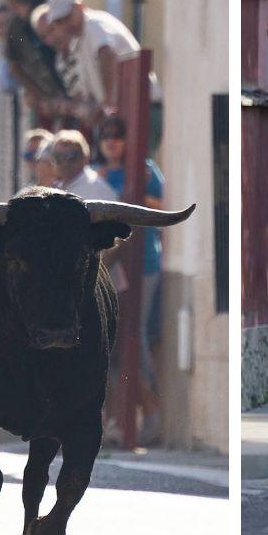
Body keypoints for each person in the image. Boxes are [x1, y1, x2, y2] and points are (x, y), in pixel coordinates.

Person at [94, 114, 168, 445]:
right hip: (108, 265)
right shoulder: (97, 176)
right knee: (114, 341)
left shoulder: (146, 169)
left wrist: (130, 195)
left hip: (144, 262)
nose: (112, 140)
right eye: (106, 135)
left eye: (118, 134)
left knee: (134, 333)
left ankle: (150, 404)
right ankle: (122, 418)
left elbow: (160, 205)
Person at [32, 0, 155, 135]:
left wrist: (107, 103)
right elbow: (87, 92)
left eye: (67, 17)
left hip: (143, 106)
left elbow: (107, 54)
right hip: (130, 108)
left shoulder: (93, 24)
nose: (66, 24)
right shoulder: (80, 40)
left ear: (80, 7)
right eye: (60, 22)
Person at [1, 0, 68, 129]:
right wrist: (41, 95)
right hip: (48, 102)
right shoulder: (15, 28)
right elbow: (14, 67)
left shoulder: (52, 15)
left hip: (72, 93)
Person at [50, 129, 117, 200]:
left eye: (71, 156)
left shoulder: (96, 189)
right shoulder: (56, 188)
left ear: (85, 157)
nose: (64, 162)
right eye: (58, 157)